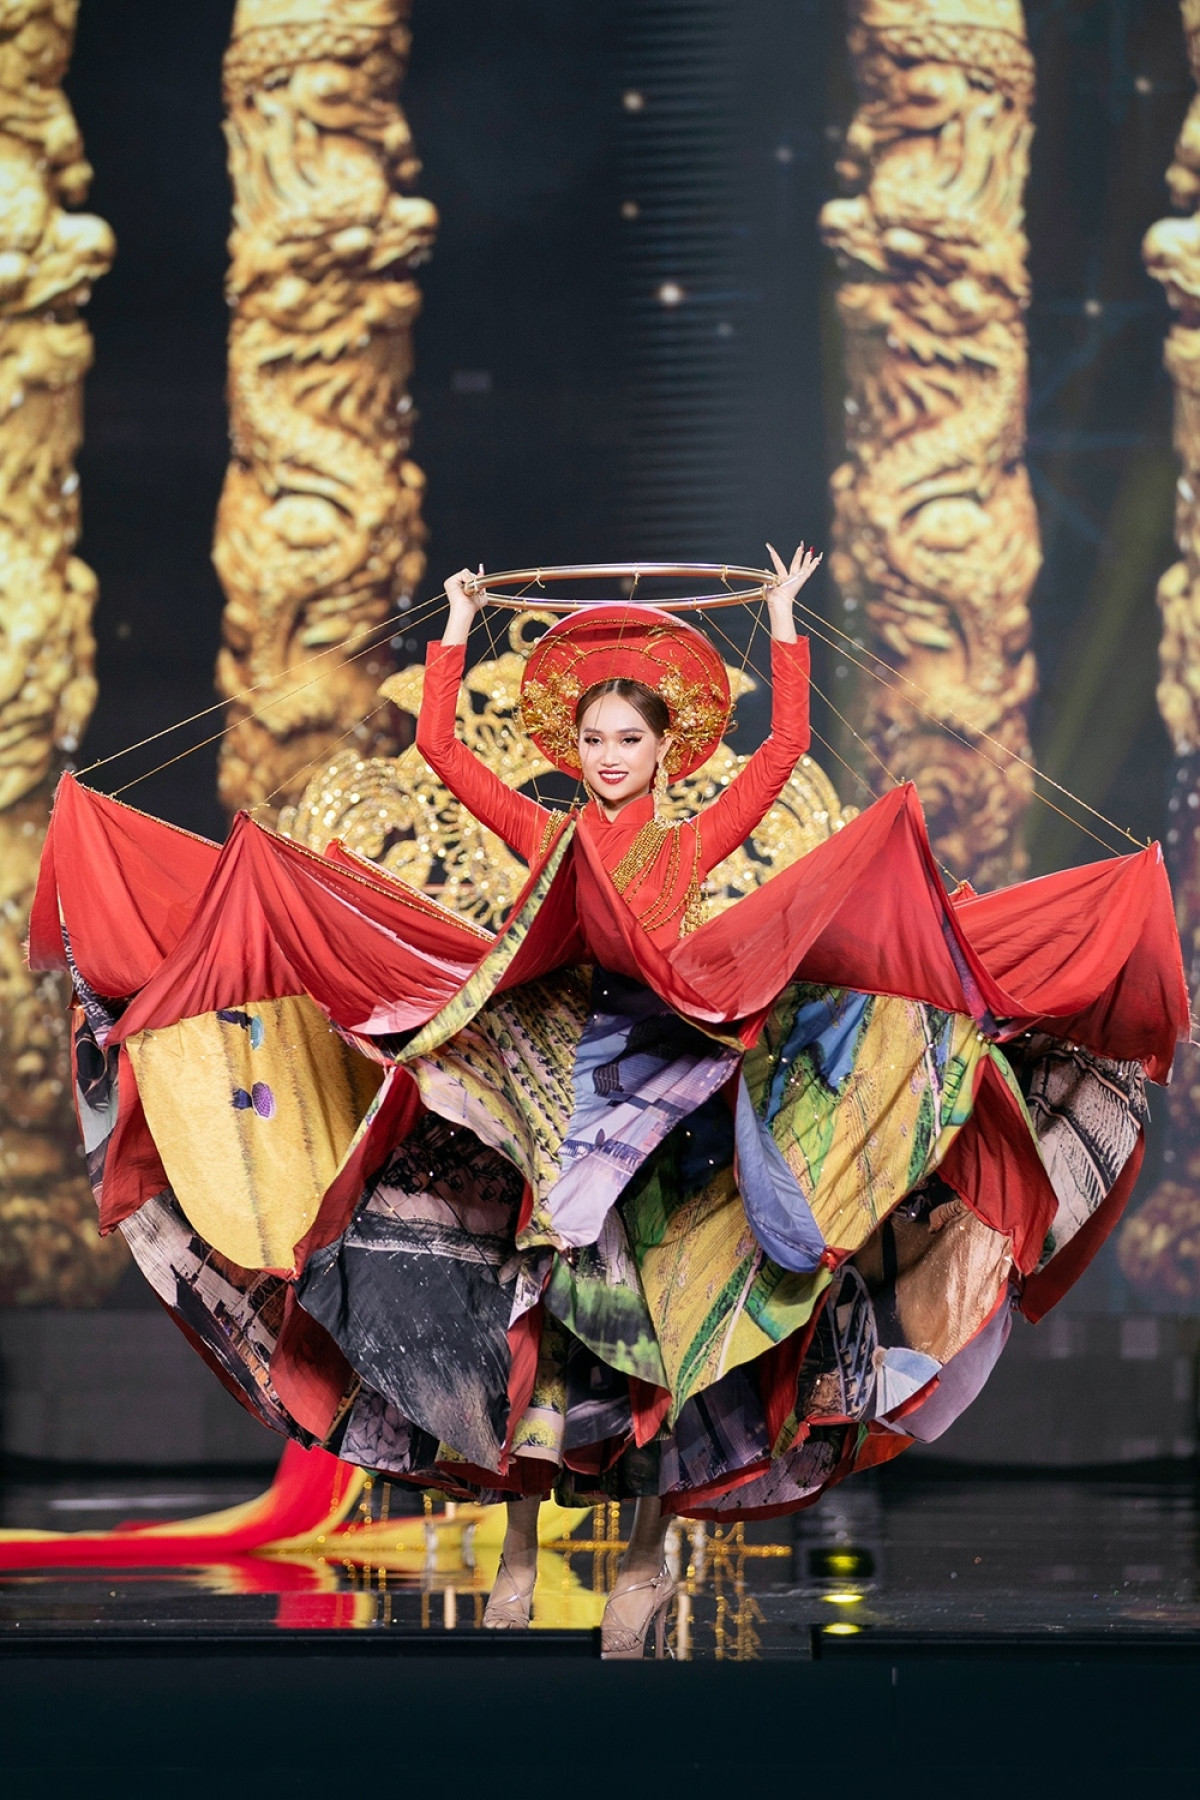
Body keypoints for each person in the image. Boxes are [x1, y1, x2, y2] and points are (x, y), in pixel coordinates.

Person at [31, 546, 1187, 1660]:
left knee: (665, 1339)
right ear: (574, 749)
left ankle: (642, 1563)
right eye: (593, 738)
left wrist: (783, 618)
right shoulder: (548, 830)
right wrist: (456, 622)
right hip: (555, 1096)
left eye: (629, 738)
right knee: (537, 1326)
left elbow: (783, 749)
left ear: (664, 749)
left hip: (671, 1098)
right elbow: (442, 748)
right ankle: (521, 1560)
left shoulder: (685, 842)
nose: (611, 754)